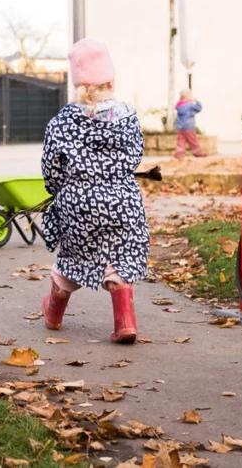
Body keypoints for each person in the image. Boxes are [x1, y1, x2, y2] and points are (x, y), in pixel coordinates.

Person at [40, 39, 149, 345]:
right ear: (110, 82)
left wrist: (59, 191)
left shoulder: (62, 121)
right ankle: (125, 322)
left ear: (77, 85)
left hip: (79, 202)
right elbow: (135, 156)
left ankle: (53, 312)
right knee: (120, 258)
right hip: (123, 201)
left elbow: (51, 166)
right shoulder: (128, 117)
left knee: (75, 255)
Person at [174, 89, 206, 159]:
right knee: (193, 140)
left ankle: (179, 154)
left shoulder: (179, 105)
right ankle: (198, 153)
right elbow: (199, 108)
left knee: (181, 141)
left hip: (180, 127)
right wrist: (197, 102)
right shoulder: (190, 105)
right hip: (189, 127)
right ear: (188, 96)